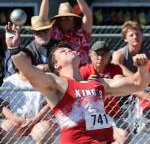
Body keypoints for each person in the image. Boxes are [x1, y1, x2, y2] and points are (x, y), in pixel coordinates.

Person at [5, 23, 150, 144]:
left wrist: (142, 68)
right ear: (57, 65)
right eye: (62, 51)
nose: (68, 50)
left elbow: (138, 84)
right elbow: (28, 70)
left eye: (69, 48)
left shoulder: (98, 82)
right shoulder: (56, 83)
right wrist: (14, 48)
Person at [0, 50, 55, 144]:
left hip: (39, 120)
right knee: (5, 131)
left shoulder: (42, 78)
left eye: (26, 57)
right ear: (14, 63)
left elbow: (48, 104)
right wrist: (16, 119)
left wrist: (35, 119)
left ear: (32, 60)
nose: (23, 60)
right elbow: (2, 105)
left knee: (44, 133)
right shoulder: (9, 81)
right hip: (15, 121)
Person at [80, 41, 127, 143]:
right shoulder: (84, 70)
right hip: (92, 115)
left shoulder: (115, 68)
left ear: (109, 55)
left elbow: (120, 81)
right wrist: (87, 84)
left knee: (123, 136)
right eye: (97, 54)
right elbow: (75, 91)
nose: (100, 58)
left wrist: (102, 83)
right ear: (90, 54)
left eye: (104, 54)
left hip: (113, 113)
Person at [39, 0, 93, 66]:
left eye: (69, 18)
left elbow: (88, 15)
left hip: (81, 72)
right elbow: (42, 20)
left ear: (74, 20)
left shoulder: (82, 31)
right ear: (59, 21)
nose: (66, 21)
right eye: (63, 18)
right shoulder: (53, 32)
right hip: (59, 72)